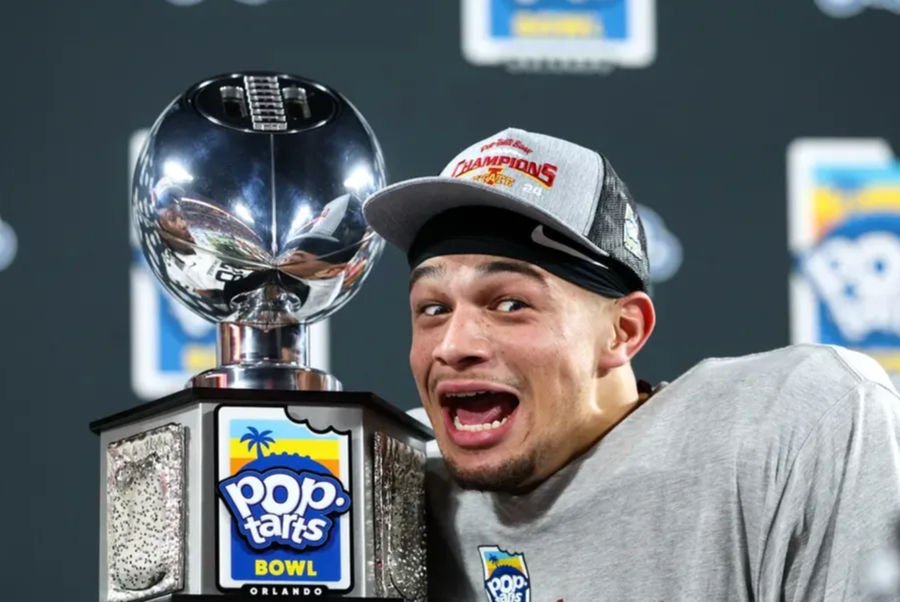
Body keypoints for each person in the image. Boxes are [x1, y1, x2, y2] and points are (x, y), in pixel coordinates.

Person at [363, 128, 900, 601]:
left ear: (624, 331)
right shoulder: (392, 481)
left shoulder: (791, 424)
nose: (452, 345)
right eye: (433, 308)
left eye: (510, 304)